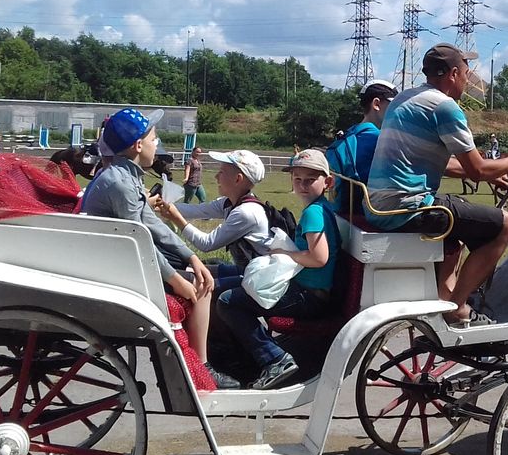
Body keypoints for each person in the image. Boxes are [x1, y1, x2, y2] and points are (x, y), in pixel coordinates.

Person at [366, 43, 508, 327]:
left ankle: (446, 298)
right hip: (407, 207)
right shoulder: (445, 108)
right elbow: (478, 169)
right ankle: (458, 307)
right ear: (455, 73)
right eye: (467, 72)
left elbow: (440, 162)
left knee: (455, 232)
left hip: (381, 206)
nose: (468, 79)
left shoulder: (404, 100)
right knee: (504, 225)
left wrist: (491, 173)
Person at [81, 107, 236, 389]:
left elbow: (154, 225)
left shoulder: (123, 176)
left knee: (200, 273)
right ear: (138, 146)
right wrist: (177, 282)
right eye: (154, 139)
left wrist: (191, 256)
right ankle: (202, 370)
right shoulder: (121, 184)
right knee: (202, 289)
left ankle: (207, 357)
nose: (157, 144)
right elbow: (138, 242)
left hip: (116, 261)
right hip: (118, 269)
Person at [215, 148, 341, 389]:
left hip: (308, 296)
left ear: (327, 182)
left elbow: (319, 258)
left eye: (310, 180)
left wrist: (285, 253)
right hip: (308, 290)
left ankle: (274, 359)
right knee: (233, 286)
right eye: (297, 179)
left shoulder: (314, 213)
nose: (303, 185)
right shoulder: (320, 208)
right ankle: (249, 355)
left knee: (229, 301)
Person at [152, 149, 270, 290]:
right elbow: (198, 210)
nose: (216, 177)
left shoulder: (247, 212)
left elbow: (207, 244)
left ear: (238, 179)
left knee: (201, 285)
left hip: (260, 279)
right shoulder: (229, 202)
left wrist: (176, 218)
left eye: (221, 172)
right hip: (247, 271)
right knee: (191, 270)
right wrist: (162, 204)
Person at [325, 78, 398, 215]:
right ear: (376, 104)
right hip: (367, 213)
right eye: (393, 106)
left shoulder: (349, 135)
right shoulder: (379, 139)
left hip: (341, 211)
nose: (397, 111)